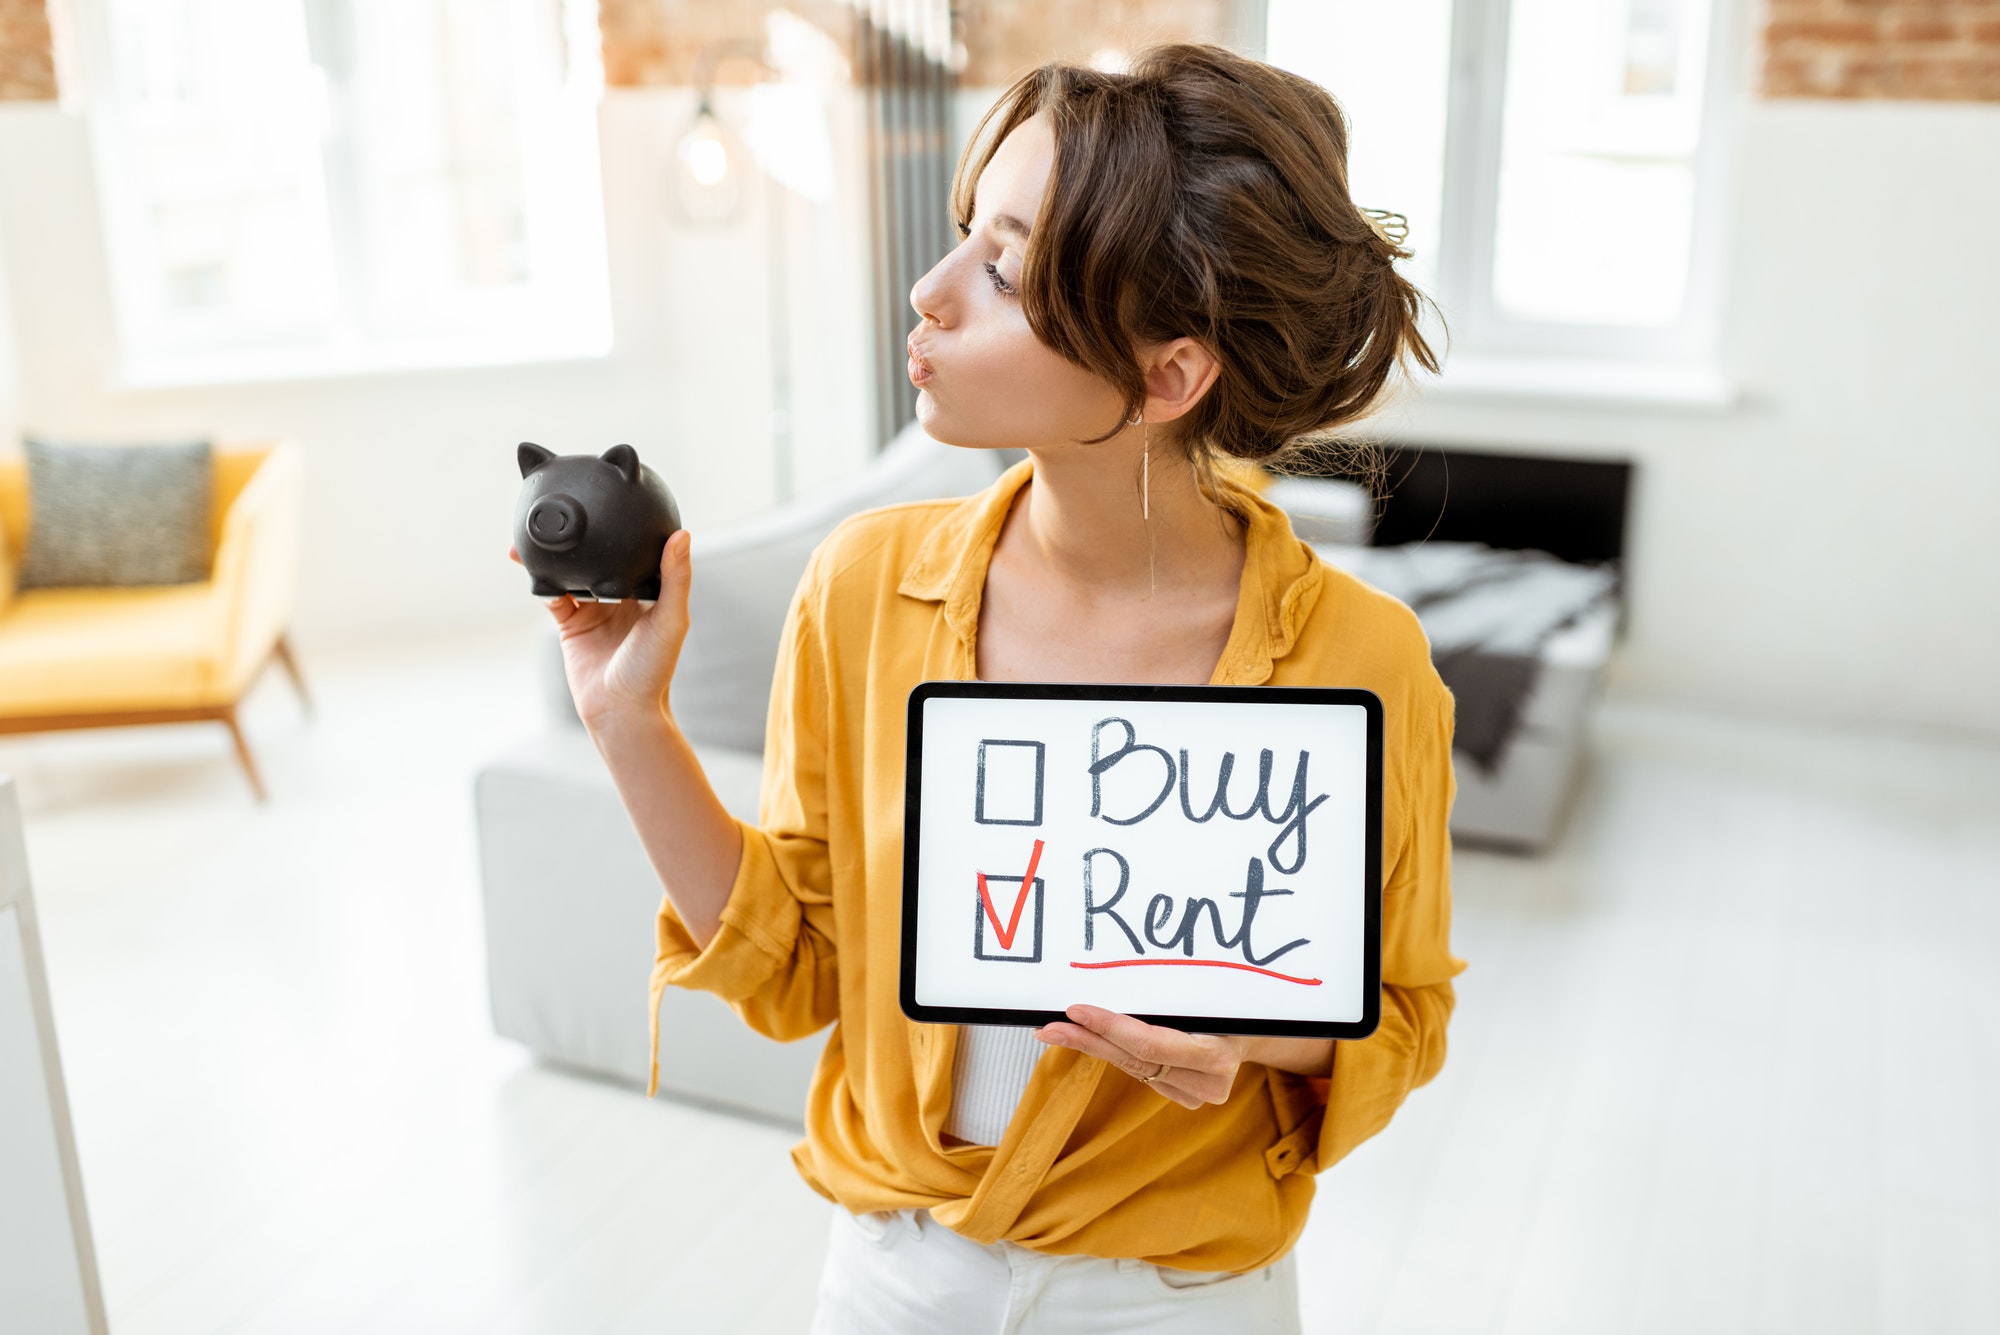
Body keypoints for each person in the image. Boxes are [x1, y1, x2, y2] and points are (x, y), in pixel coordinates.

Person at [531, 42, 1463, 1334]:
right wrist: (628, 722)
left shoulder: (1361, 665)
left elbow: (1402, 1011)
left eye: (1006, 268)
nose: (930, 288)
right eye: (970, 234)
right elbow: (798, 970)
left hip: (1188, 1297)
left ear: (1166, 375)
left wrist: (1251, 1037)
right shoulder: (863, 586)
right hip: (897, 1278)